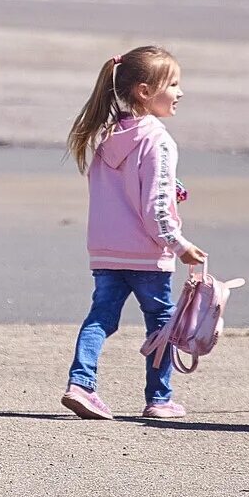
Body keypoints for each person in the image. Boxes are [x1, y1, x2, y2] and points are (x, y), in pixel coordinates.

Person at [58, 46, 206, 421]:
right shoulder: (157, 139)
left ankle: (81, 385)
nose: (180, 93)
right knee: (162, 324)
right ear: (143, 90)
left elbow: (126, 191)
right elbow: (155, 206)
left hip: (106, 251)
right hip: (147, 253)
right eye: (172, 84)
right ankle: (160, 398)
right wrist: (179, 245)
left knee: (100, 318)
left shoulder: (104, 136)